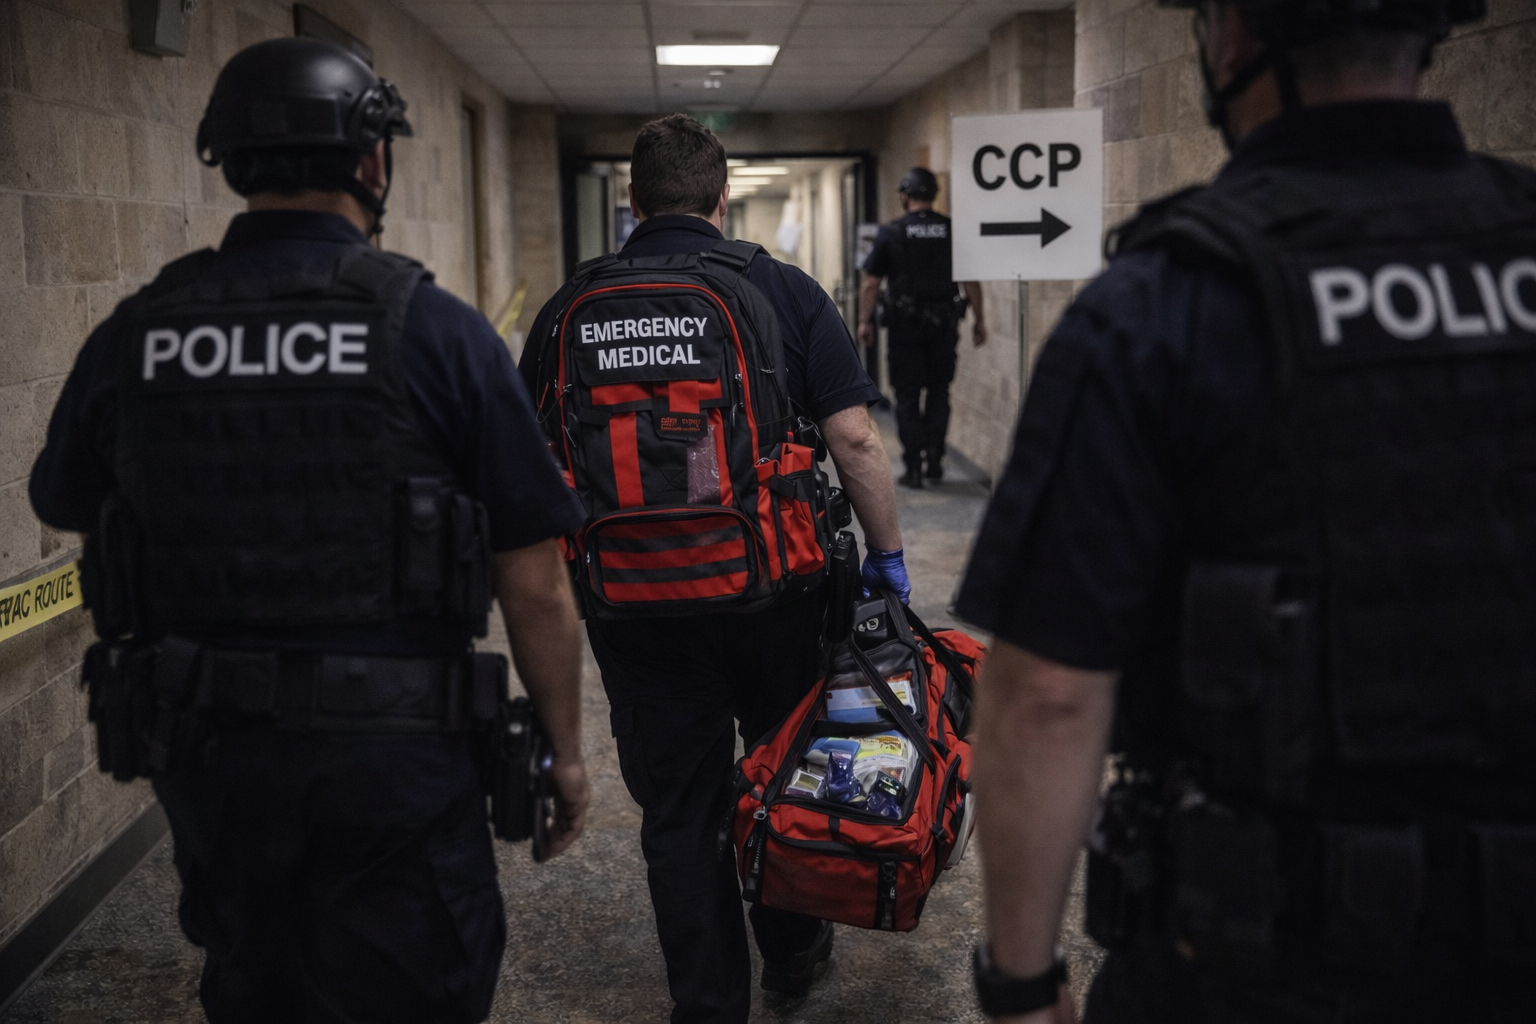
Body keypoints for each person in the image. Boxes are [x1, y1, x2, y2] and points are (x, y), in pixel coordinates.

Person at [955, 0, 1536, 1019]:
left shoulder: (1163, 299)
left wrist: (1021, 978)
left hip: (1256, 955)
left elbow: (1047, 692)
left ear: (1232, 37)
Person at [29, 38, 590, 1024]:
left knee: (257, 980)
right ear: (373, 162)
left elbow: (63, 496)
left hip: (208, 750)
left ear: (231, 161)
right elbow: (534, 579)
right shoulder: (436, 330)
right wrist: (567, 748)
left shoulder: (141, 331)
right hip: (395, 759)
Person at [520, 114, 908, 1024]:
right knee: (784, 775)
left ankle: (707, 1004)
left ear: (632, 202)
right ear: (722, 196)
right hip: (775, 593)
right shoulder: (778, 289)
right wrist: (888, 560)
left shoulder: (568, 307)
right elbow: (854, 437)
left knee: (680, 810)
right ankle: (791, 954)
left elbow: (525, 463)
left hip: (632, 603)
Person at [858, 168, 987, 488]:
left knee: (906, 396)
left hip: (905, 330)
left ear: (905, 195)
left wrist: (863, 321)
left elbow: (871, 284)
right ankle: (935, 460)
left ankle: (913, 466)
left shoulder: (892, 232)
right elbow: (970, 280)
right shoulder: (951, 230)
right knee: (939, 392)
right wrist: (980, 319)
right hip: (944, 327)